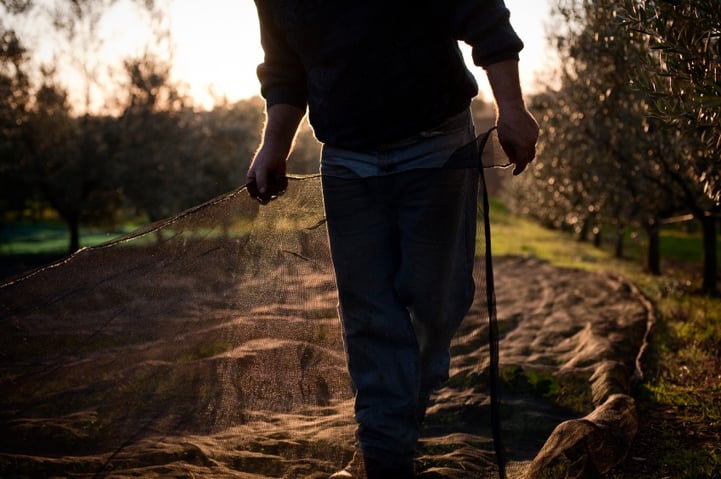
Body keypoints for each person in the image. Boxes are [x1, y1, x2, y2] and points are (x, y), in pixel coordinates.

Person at [248, 1, 539, 477]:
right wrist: (273, 146)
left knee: (435, 302)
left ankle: (401, 411)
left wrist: (512, 107)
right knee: (367, 315)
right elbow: (283, 68)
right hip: (346, 159)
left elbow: (481, 11)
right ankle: (383, 452)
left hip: (437, 143)